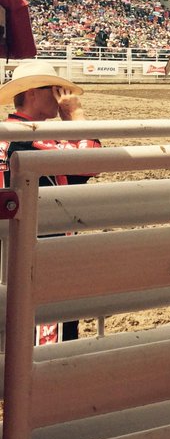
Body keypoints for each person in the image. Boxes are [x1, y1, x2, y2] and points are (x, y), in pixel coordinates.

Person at [0, 61, 100, 343]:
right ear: (32, 92)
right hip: (40, 256)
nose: (60, 97)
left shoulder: (10, 134)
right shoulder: (31, 140)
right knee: (47, 345)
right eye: (54, 90)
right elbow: (91, 160)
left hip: (10, 252)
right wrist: (76, 115)